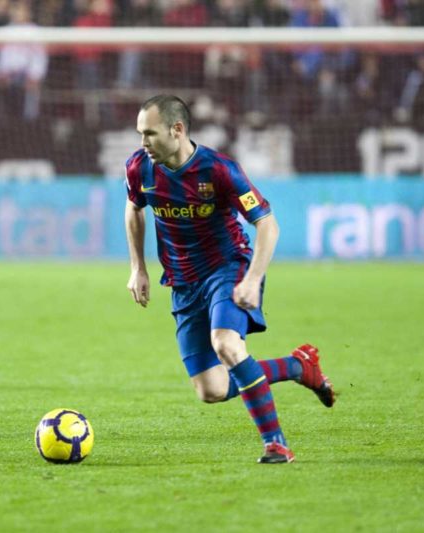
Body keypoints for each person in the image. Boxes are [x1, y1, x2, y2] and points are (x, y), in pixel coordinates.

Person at [124, 95, 335, 464]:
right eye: (140, 134)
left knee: (227, 345)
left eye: (150, 134)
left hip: (227, 268)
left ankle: (276, 444)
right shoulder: (139, 168)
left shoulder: (219, 169)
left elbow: (267, 224)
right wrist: (137, 267)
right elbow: (134, 210)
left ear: (177, 130)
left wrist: (253, 279)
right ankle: (299, 367)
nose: (143, 143)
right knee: (213, 389)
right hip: (183, 282)